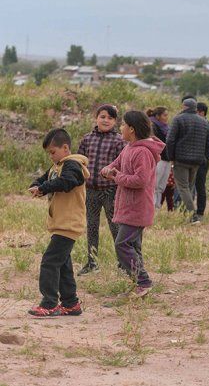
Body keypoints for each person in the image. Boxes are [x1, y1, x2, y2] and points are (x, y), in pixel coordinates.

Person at [101, 111, 165, 298]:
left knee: (122, 244)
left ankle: (143, 282)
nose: (120, 127)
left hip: (138, 208)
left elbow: (140, 180)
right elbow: (116, 164)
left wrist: (116, 176)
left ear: (131, 129)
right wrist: (108, 169)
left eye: (123, 124)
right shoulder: (129, 148)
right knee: (134, 246)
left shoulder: (143, 152)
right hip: (128, 206)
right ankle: (140, 285)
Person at [27, 129, 89, 317]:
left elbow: (67, 182)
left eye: (53, 152)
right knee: (62, 264)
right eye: (49, 153)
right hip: (61, 224)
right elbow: (45, 179)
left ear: (65, 148)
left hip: (69, 224)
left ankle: (49, 303)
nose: (51, 156)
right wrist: (36, 185)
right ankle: (71, 304)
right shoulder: (57, 166)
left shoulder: (73, 165)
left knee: (49, 262)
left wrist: (43, 188)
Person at [76, 104, 126, 275]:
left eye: (110, 118)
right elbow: (79, 162)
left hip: (111, 190)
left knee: (115, 227)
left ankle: (123, 263)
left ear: (115, 121)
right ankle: (92, 262)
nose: (106, 120)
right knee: (91, 226)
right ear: (96, 118)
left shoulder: (119, 140)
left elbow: (123, 165)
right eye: (102, 117)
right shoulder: (87, 139)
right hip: (90, 190)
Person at [165, 97, 209, 224]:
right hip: (197, 161)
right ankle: (188, 215)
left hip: (181, 160)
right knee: (189, 187)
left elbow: (170, 140)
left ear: (184, 106)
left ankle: (193, 215)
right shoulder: (204, 122)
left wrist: (171, 157)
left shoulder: (178, 119)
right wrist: (202, 156)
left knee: (183, 187)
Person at [147, 107, 171, 209]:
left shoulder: (166, 127)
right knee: (155, 184)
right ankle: (152, 206)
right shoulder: (153, 126)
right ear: (157, 116)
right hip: (158, 158)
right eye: (164, 115)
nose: (166, 117)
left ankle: (157, 206)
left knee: (161, 185)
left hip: (167, 158)